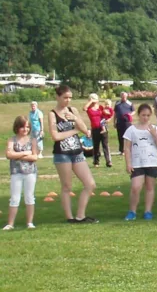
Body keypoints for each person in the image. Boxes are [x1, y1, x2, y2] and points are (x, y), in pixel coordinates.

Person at [47, 85, 97, 224]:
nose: (68, 100)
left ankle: (80, 215)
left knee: (90, 184)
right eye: (65, 97)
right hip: (62, 154)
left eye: (70, 98)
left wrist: (75, 118)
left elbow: (85, 130)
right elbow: (55, 136)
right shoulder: (52, 114)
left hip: (77, 152)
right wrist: (74, 131)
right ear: (57, 97)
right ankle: (70, 217)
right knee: (67, 186)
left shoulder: (72, 110)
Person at [123, 103, 157, 221]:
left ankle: (148, 211)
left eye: (148, 115)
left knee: (150, 187)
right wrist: (128, 163)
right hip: (137, 163)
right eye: (143, 115)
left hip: (152, 162)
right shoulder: (131, 130)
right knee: (136, 187)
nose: (145, 117)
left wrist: (154, 134)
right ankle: (132, 211)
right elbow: (127, 148)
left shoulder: (155, 128)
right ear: (139, 115)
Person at [5, 116, 39, 230]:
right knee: (14, 198)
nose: (25, 129)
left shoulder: (32, 140)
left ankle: (30, 222)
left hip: (30, 172)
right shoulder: (12, 140)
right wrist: (25, 153)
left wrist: (17, 155)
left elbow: (34, 157)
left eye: (27, 127)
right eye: (23, 127)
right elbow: (9, 154)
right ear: (17, 127)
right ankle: (10, 224)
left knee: (29, 197)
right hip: (16, 172)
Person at [84, 94, 112, 168]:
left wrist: (109, 119)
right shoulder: (89, 108)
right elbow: (84, 108)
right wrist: (91, 101)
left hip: (103, 128)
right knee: (96, 146)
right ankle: (96, 162)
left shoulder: (100, 107)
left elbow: (108, 113)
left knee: (105, 145)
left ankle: (108, 161)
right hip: (95, 129)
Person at [114, 92, 134, 156]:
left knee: (128, 137)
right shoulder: (117, 103)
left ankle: (129, 149)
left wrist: (130, 114)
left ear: (126, 96)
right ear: (121, 97)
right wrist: (114, 122)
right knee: (120, 136)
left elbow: (133, 111)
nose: (124, 98)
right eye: (122, 96)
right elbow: (115, 113)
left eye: (125, 97)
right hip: (119, 122)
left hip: (127, 122)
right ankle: (121, 150)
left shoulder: (130, 103)